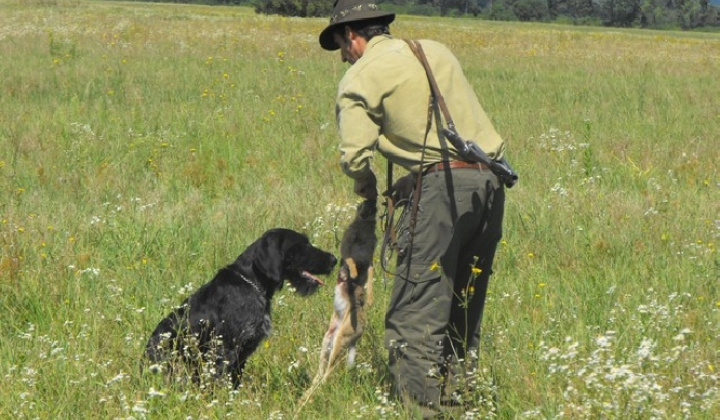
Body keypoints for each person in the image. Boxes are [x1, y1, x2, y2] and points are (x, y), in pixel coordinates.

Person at [319, 1, 507, 417]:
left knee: (413, 317)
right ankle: (460, 406)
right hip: (490, 186)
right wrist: (417, 179)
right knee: (462, 307)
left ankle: (424, 411)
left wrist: (367, 190)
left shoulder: (360, 76)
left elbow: (354, 157)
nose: (343, 57)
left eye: (340, 46)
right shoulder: (433, 50)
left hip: (442, 194)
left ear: (351, 35)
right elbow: (451, 136)